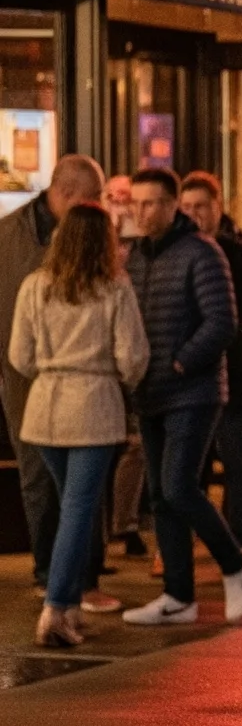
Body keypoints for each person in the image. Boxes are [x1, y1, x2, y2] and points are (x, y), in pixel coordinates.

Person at [121, 169, 242, 627]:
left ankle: (235, 565)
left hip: (193, 392)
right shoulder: (134, 257)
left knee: (180, 485)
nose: (140, 212)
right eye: (134, 203)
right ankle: (178, 595)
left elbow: (221, 323)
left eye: (150, 203)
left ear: (171, 204)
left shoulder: (202, 251)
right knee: (161, 495)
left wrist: (180, 362)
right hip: (149, 392)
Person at [9, 202, 147, 648]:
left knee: (71, 507)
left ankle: (64, 607)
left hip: (45, 409)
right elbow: (132, 357)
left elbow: (19, 357)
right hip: (93, 408)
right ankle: (57, 608)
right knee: (78, 511)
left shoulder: (35, 286)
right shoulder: (114, 287)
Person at [0, 154, 107, 600]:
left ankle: (83, 576)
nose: (99, 206)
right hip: (26, 380)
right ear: (64, 193)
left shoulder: (93, 237)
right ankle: (51, 573)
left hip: (78, 384)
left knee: (83, 486)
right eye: (92, 198)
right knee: (38, 478)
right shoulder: (8, 235)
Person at [178, 172, 242, 555]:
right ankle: (181, 544)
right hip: (187, 382)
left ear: (218, 206)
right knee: (189, 469)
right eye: (186, 207)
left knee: (236, 462)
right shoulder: (177, 251)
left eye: (201, 206)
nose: (194, 214)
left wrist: (230, 339)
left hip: (234, 376)